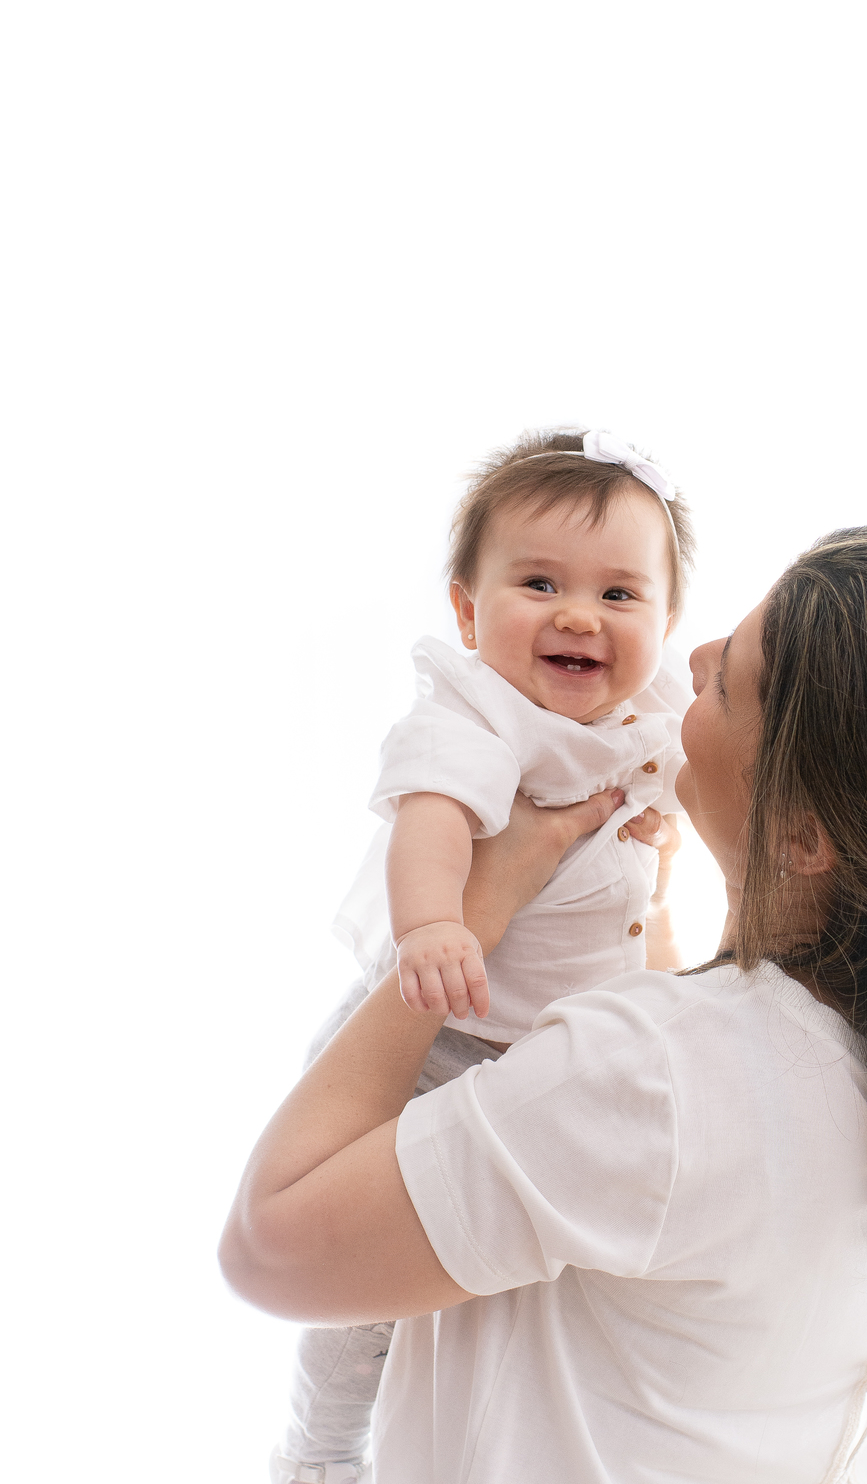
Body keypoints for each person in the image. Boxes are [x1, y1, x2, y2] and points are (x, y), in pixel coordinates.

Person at [222, 524, 867, 1484]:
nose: (689, 656)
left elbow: (269, 1246)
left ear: (807, 833)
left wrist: (464, 920)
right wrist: (646, 905)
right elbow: (700, 1124)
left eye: (729, 674)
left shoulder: (648, 1077)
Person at [272, 427, 696, 1483]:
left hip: (556, 1049)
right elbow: (433, 819)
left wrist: (663, 833)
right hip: (437, 1031)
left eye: (618, 595)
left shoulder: (651, 718)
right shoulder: (481, 711)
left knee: (505, 1294)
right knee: (359, 1299)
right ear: (467, 611)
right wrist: (433, 926)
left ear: (668, 621)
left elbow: (672, 811)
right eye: (539, 582)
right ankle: (322, 1455)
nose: (577, 615)